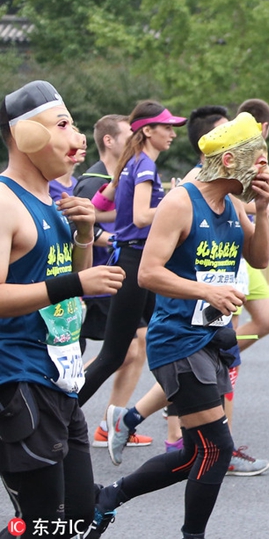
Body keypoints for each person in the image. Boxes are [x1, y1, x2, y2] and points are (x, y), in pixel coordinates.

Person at [93, 111, 269, 539]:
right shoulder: (180, 202)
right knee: (218, 446)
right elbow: (148, 273)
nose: (266, 167)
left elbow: (259, 259)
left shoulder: (231, 203)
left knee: (195, 451)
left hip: (213, 338)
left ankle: (109, 497)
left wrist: (263, 211)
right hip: (177, 340)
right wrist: (205, 291)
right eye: (260, 159)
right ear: (230, 162)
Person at [0, 80, 125, 539]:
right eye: (63, 124)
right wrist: (75, 281)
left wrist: (85, 232)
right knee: (44, 526)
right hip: (19, 380)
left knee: (77, 519)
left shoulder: (54, 203)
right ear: (23, 136)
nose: (76, 140)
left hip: (61, 379)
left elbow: (74, 282)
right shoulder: (4, 203)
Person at [77, 101, 186, 407]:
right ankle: (61, 414)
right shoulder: (145, 166)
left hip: (130, 258)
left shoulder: (129, 163)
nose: (172, 134)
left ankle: (179, 417)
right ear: (147, 131)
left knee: (170, 340)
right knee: (114, 355)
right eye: (166, 127)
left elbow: (99, 210)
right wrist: (178, 204)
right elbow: (140, 217)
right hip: (136, 262)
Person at [72, 114, 155, 450]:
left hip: (118, 276)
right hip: (100, 277)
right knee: (123, 350)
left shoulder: (122, 176)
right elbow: (85, 224)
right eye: (128, 134)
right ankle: (67, 402)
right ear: (109, 140)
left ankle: (110, 423)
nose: (135, 138)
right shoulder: (94, 182)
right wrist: (115, 238)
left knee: (134, 347)